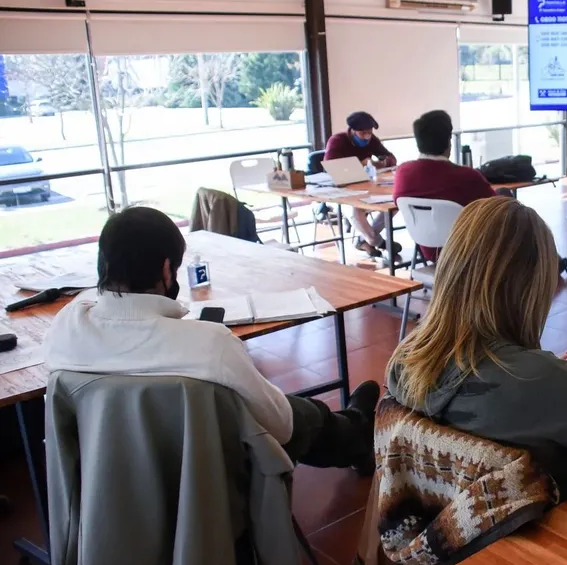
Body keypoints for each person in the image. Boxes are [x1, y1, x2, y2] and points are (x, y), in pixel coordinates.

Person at [45, 206, 377, 471]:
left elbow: (89, 300)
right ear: (165, 270)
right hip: (207, 464)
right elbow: (279, 425)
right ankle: (358, 433)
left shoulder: (65, 328)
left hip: (108, 471)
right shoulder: (208, 343)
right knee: (302, 414)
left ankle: (354, 429)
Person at [385, 197, 567, 499]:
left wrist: (536, 371)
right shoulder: (543, 381)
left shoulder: (406, 356)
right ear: (532, 287)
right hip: (537, 535)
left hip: (442, 526)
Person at [392, 109, 498, 261]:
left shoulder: (403, 172)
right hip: (470, 253)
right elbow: (499, 210)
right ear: (448, 141)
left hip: (429, 253)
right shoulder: (467, 177)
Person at [324, 111, 399, 259]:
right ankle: (378, 242)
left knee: (394, 204)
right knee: (356, 210)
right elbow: (329, 166)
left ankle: (363, 240)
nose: (367, 136)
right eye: (363, 133)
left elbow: (391, 158)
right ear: (352, 131)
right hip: (339, 189)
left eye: (369, 133)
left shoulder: (371, 140)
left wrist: (382, 162)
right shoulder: (337, 141)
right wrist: (359, 164)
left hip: (365, 186)